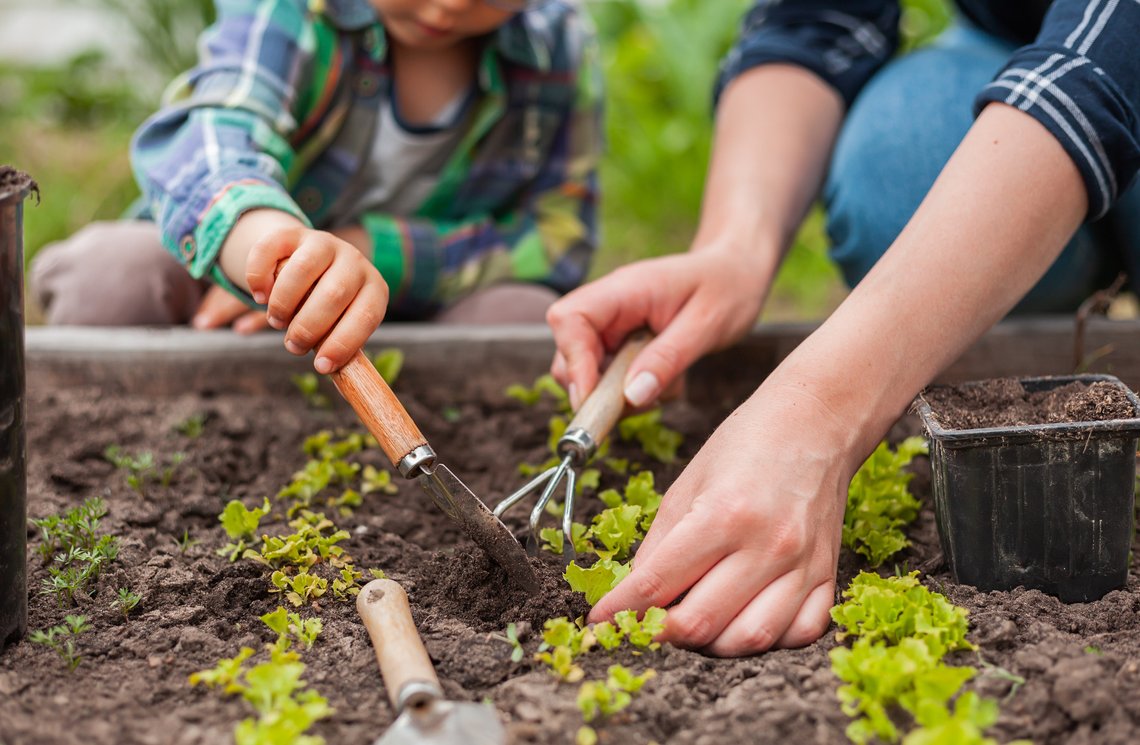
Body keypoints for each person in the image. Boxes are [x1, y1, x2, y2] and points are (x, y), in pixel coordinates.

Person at [547, 0, 1140, 657]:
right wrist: (735, 248)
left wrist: (820, 409)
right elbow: (813, 19)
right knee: (897, 167)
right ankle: (1041, 247)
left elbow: (1105, 58)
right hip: (1016, 33)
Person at [30, 0, 601, 372]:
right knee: (108, 276)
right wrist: (270, 247)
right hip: (225, 272)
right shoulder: (294, 12)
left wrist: (376, 252)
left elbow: (557, 236)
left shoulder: (557, 45)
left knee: (528, 315)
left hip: (415, 314)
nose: (451, 5)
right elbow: (215, 128)